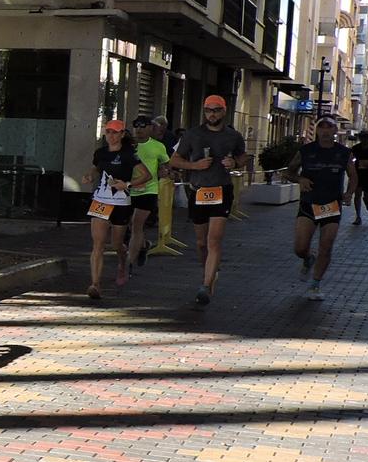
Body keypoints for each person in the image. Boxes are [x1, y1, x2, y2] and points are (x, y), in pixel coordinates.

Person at [168, 94, 247, 305]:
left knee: (214, 240)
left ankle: (206, 284)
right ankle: (209, 272)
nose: (211, 114)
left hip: (222, 190)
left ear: (224, 111)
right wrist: (195, 166)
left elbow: (243, 156)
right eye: (208, 110)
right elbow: (174, 160)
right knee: (202, 242)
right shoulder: (193, 135)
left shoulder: (234, 136)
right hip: (199, 191)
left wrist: (235, 163)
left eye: (215, 110)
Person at [288, 117, 356, 299]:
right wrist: (300, 179)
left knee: (326, 247)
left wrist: (349, 193)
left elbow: (353, 176)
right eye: (322, 127)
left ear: (335, 131)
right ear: (316, 130)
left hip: (331, 205)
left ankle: (315, 284)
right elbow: (288, 172)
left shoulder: (344, 153)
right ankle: (308, 258)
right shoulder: (305, 151)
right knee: (300, 248)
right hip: (308, 204)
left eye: (330, 127)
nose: (325, 131)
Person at [84, 119, 150, 299]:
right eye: (108, 132)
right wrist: (90, 175)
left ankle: (123, 260)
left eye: (115, 132)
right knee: (98, 244)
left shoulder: (129, 154)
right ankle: (95, 284)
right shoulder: (101, 153)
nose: (111, 136)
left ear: (122, 134)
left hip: (121, 203)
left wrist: (127, 184)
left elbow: (147, 175)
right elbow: (97, 167)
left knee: (115, 244)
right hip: (100, 200)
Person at [126, 117, 170, 271]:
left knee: (136, 224)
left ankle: (129, 263)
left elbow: (166, 166)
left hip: (149, 190)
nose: (139, 129)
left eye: (143, 126)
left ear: (151, 128)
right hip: (127, 189)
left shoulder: (158, 146)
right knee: (130, 226)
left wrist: (164, 171)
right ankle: (144, 246)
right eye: (136, 126)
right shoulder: (128, 145)